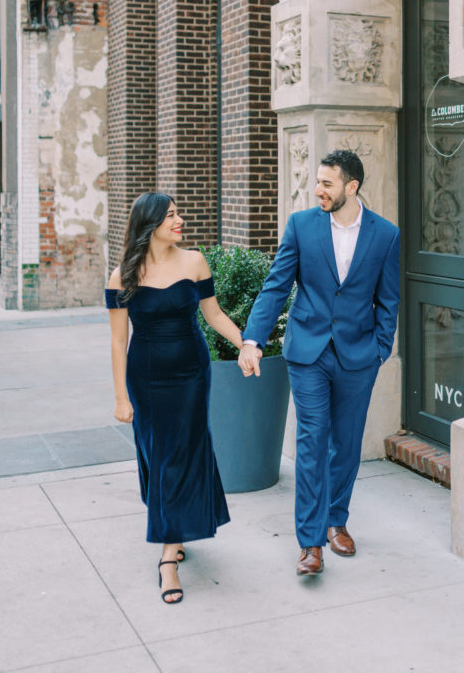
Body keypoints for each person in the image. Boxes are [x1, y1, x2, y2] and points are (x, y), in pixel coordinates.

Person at [239, 150, 400, 576]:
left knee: (345, 444)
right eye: (318, 182)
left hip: (358, 356)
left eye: (327, 183)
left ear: (352, 187)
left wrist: (380, 349)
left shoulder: (385, 235)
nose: (318, 191)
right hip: (308, 352)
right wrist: (252, 339)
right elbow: (276, 286)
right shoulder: (302, 226)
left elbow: (389, 299)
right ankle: (310, 543)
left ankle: (336, 519)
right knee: (312, 442)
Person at [105, 192, 244, 604]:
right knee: (159, 455)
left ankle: (168, 555)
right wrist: (120, 397)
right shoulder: (122, 276)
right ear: (150, 225)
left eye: (179, 212)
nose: (180, 220)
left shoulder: (194, 262)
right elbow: (117, 342)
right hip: (146, 379)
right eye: (171, 216)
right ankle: (173, 528)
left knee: (183, 452)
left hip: (191, 376)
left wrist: (246, 343)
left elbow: (214, 314)